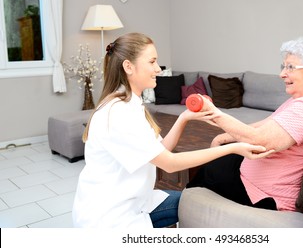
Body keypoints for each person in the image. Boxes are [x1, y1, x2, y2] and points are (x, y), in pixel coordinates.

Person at [72, 32, 270, 228]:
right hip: (110, 219)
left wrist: (184, 117)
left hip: (136, 203)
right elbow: (170, 163)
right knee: (202, 205)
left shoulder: (131, 104)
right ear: (128, 66)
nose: (158, 69)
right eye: (152, 62)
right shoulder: (118, 113)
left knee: (198, 202)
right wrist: (232, 148)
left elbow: (163, 149)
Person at [187, 34, 303, 211]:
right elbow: (264, 124)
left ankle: (183, 215)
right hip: (253, 177)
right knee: (218, 159)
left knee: (206, 172)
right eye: (283, 66)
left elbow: (260, 140)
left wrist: (214, 113)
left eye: (290, 67)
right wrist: (226, 136)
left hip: (266, 194)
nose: (282, 74)